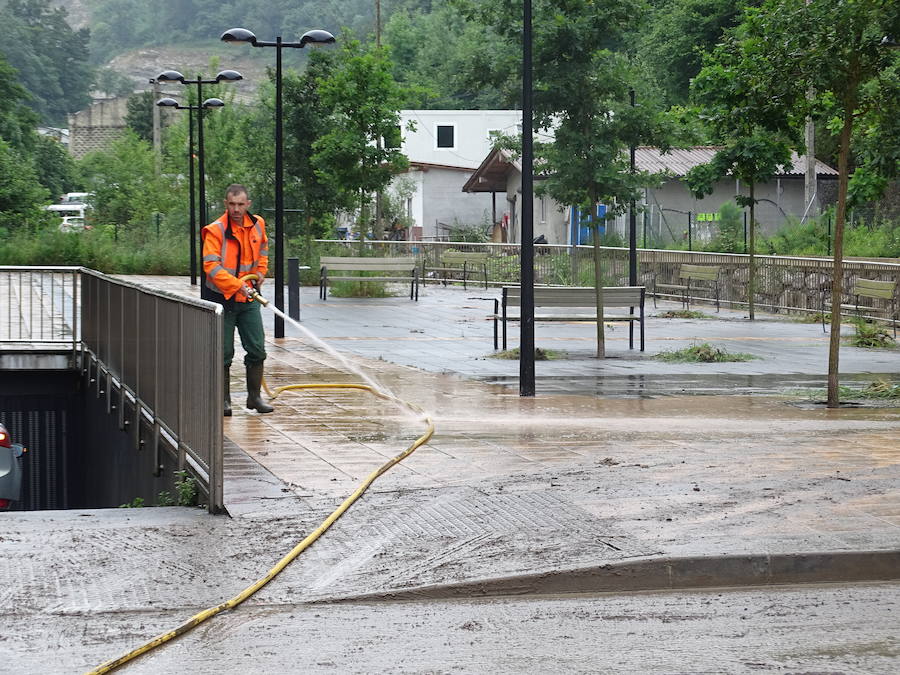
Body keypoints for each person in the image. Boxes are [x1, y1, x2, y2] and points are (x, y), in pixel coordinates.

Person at [201, 184, 274, 415]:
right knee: (223, 352)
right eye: (232, 204)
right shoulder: (215, 230)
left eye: (241, 204)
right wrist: (237, 285)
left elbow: (263, 250)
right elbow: (211, 266)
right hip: (222, 299)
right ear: (225, 204)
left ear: (248, 204)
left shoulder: (257, 224)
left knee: (257, 348)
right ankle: (223, 401)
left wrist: (261, 271)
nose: (236, 209)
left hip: (248, 298)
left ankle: (254, 398)